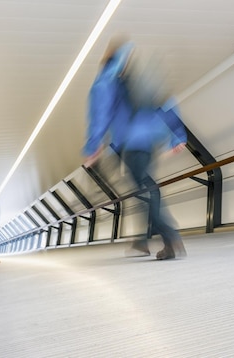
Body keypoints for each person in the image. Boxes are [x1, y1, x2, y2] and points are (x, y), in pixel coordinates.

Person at [83, 37, 187, 260]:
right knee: (144, 188)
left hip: (130, 143)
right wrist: (177, 135)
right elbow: (165, 103)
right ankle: (142, 241)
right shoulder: (138, 80)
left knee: (146, 189)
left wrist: (93, 147)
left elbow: (100, 116)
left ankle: (170, 237)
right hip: (148, 141)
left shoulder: (105, 82)